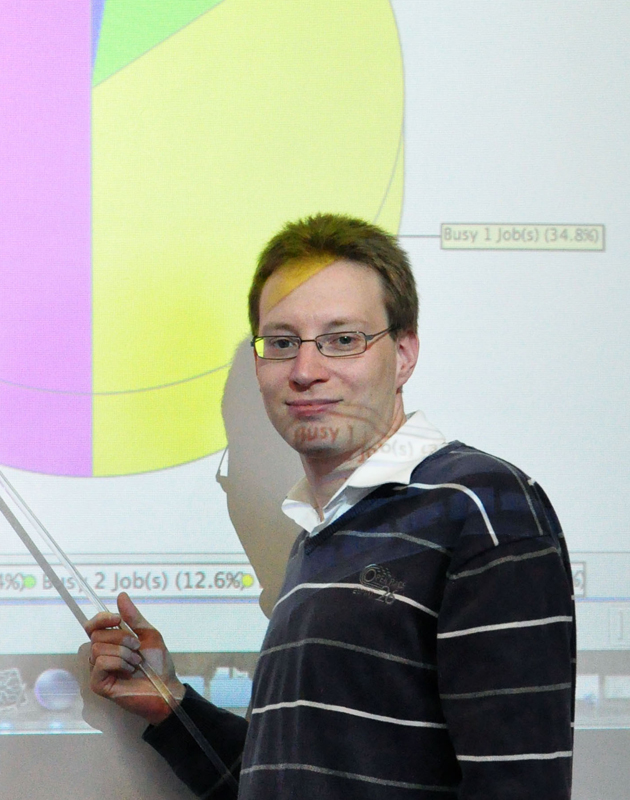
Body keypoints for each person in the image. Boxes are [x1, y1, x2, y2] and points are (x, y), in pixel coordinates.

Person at [85, 214, 575, 799]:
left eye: (343, 340)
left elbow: (519, 786)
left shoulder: (484, 507)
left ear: (404, 353)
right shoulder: (318, 540)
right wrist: (172, 707)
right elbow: (286, 782)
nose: (306, 371)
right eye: (282, 343)